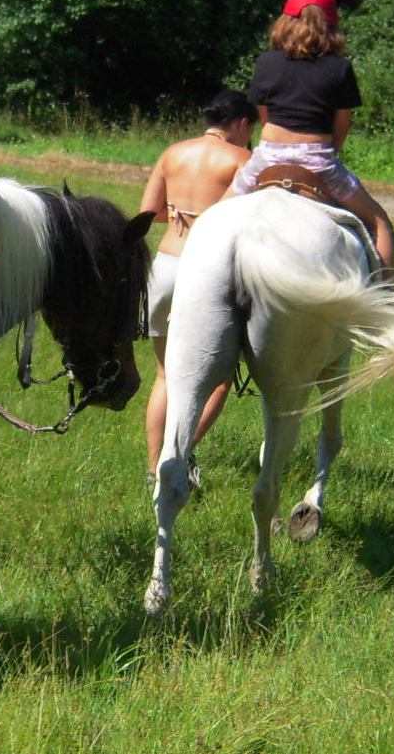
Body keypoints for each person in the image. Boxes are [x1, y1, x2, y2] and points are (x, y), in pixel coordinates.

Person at [227, 0, 394, 277]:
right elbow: (341, 127)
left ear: (286, 20)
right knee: (380, 223)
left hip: (267, 159)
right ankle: (389, 297)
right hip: (318, 162)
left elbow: (265, 117)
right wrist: (326, 154)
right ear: (331, 25)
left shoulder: (266, 62)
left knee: (210, 219)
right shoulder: (340, 68)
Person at [140, 89, 257, 490]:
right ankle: (178, 458)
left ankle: (153, 468)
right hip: (205, 273)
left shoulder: (173, 153)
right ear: (242, 124)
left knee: (165, 376)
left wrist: (181, 211)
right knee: (219, 379)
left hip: (164, 267)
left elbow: (148, 212)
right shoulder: (242, 160)